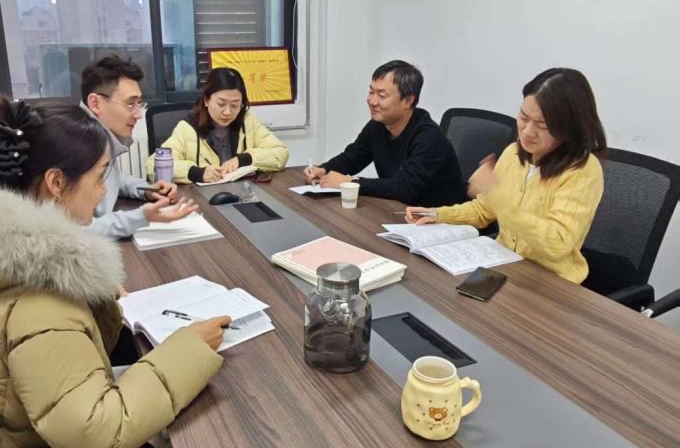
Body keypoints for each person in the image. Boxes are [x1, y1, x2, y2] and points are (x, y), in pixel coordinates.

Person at [0, 98, 230, 448]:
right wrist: (188, 350)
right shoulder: (41, 303)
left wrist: (89, 293)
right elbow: (95, 434)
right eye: (100, 177)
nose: (102, 193)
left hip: (0, 428)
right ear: (55, 183)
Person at [407, 68, 606, 284]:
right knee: (434, 288)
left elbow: (557, 244)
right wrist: (438, 215)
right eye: (523, 117)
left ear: (569, 128)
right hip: (502, 265)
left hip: (550, 283)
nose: (527, 131)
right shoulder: (513, 153)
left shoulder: (583, 170)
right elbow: (485, 209)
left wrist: (496, 194)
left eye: (542, 125)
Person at [305, 60, 467, 206]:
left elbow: (405, 188)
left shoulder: (429, 138)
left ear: (408, 100)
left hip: (438, 220)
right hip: (399, 211)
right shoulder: (378, 125)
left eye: (381, 95)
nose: (372, 101)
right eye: (371, 92)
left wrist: (350, 182)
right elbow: (354, 157)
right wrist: (324, 169)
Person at [81, 55, 197, 238]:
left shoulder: (96, 136)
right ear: (95, 103)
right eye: (130, 104)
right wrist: (142, 216)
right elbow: (75, 231)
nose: (138, 114)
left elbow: (112, 178)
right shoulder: (73, 146)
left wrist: (147, 190)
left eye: (139, 104)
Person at [147, 67, 289, 183]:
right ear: (206, 100)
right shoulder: (188, 128)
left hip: (241, 194)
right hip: (201, 199)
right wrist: (197, 173)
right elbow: (153, 165)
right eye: (221, 104)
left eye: (235, 105)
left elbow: (281, 153)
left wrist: (244, 159)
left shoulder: (247, 121)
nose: (228, 112)